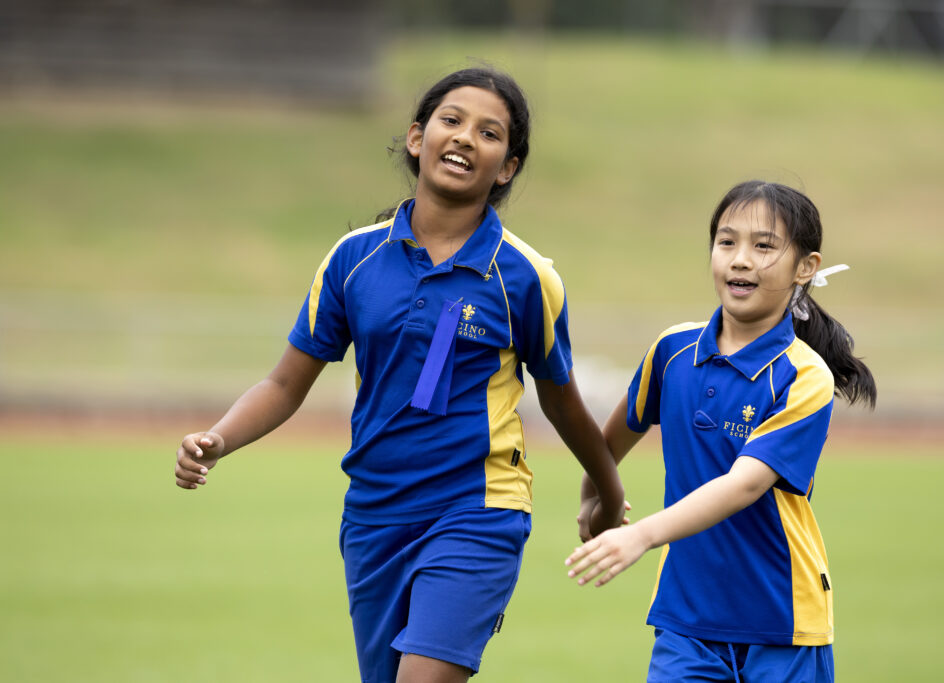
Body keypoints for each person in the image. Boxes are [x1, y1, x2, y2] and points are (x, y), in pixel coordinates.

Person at [174, 67, 625, 683]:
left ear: (508, 167)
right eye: (452, 121)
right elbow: (284, 385)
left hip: (478, 510)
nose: (466, 138)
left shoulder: (525, 275)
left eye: (489, 133)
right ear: (417, 138)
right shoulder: (353, 259)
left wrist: (607, 491)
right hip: (374, 515)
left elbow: (563, 400)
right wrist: (219, 438)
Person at [566, 181, 876, 683]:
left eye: (764, 246)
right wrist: (596, 495)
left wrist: (642, 535)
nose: (740, 259)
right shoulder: (672, 351)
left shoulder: (804, 374)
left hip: (783, 623)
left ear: (806, 267)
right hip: (686, 621)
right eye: (727, 242)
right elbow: (610, 442)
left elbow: (745, 484)